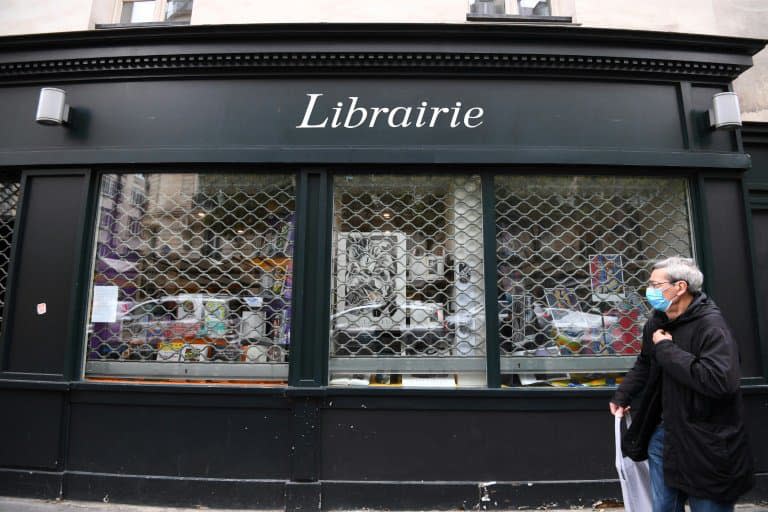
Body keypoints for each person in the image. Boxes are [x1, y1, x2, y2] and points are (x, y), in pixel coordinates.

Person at [609, 257, 753, 512]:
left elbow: (720, 382)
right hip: (662, 435)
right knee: (663, 506)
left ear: (680, 287)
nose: (649, 290)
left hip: (705, 441)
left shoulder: (711, 326)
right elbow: (645, 363)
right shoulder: (656, 322)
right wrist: (623, 395)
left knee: (707, 506)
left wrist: (666, 348)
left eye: (656, 284)